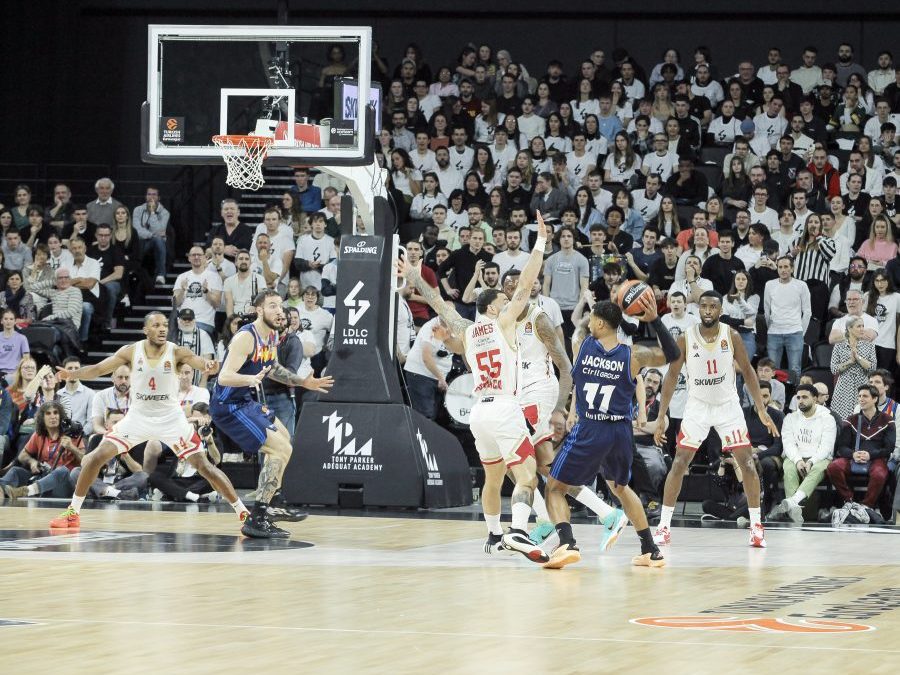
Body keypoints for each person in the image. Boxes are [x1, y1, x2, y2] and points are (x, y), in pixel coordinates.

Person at [400, 213, 551, 563]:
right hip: (504, 407)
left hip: (479, 411)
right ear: (495, 307)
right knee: (527, 477)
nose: (510, 301)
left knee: (493, 477)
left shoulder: (467, 330)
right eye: (503, 300)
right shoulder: (504, 323)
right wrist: (540, 243)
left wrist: (413, 275)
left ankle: (494, 536)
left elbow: (437, 303)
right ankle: (518, 532)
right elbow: (527, 284)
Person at [45, 313, 252, 531]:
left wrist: (209, 365)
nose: (162, 329)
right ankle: (73, 513)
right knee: (94, 457)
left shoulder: (177, 352)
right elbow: (98, 369)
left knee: (205, 467)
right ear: (146, 330)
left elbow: (201, 363)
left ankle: (243, 513)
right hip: (138, 417)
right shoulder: (132, 351)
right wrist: (72, 374)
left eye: (164, 325)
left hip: (171, 419)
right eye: (156, 325)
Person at [544, 296, 679, 568]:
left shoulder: (581, 346)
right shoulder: (635, 355)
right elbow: (674, 355)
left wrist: (594, 310)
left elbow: (580, 326)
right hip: (620, 431)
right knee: (620, 487)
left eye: (595, 317)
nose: (590, 320)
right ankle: (650, 550)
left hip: (591, 427)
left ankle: (567, 543)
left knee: (554, 489)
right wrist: (653, 319)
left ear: (601, 323)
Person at [654, 291, 779, 548]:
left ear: (720, 310)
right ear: (698, 309)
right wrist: (661, 414)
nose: (708, 310)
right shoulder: (685, 338)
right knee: (679, 462)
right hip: (697, 407)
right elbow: (671, 377)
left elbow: (748, 371)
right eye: (704, 306)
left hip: (727, 407)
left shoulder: (731, 335)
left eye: (713, 307)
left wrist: (761, 408)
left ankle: (756, 526)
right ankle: (664, 526)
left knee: (746, 461)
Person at [211, 291, 333, 537]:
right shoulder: (246, 337)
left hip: (245, 400)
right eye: (272, 306)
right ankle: (259, 516)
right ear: (259, 310)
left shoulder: (272, 336)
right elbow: (224, 376)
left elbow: (273, 367)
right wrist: (249, 379)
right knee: (280, 449)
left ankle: (271, 503)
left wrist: (301, 382)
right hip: (228, 406)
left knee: (285, 439)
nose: (280, 311)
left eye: (281, 306)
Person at [768, 384, 837, 522]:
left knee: (816, 469)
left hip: (819, 458)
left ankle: (792, 502)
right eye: (798, 397)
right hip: (795, 457)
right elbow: (788, 443)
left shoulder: (827, 418)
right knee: (789, 468)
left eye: (805, 397)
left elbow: (826, 447)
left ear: (815, 398)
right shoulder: (790, 418)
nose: (800, 400)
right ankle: (794, 511)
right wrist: (798, 460)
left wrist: (811, 461)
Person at [827, 384, 895, 510]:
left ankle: (866, 506)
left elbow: (889, 448)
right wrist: (853, 454)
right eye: (859, 396)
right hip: (853, 457)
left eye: (865, 396)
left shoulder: (887, 420)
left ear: (875, 399)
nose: (861, 399)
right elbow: (842, 447)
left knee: (880, 474)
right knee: (833, 467)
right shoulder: (851, 420)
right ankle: (849, 501)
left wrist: (870, 455)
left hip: (877, 458)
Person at [0, 401, 83, 500]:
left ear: (61, 416)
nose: (53, 416)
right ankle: (2, 489)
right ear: (42, 418)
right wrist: (32, 462)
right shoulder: (39, 435)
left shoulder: (71, 435)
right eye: (48, 413)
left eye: (56, 413)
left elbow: (86, 461)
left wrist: (71, 447)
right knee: (15, 471)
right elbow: (22, 455)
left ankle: (26, 491)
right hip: (42, 478)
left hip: (64, 484)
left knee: (62, 470)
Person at [763, 257, 811, 384]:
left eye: (786, 267)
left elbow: (807, 311)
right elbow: (767, 311)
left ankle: (795, 400)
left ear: (792, 268)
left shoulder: (801, 285)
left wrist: (801, 332)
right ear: (777, 268)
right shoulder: (769, 285)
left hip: (795, 332)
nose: (783, 270)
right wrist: (771, 328)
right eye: (780, 267)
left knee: (795, 370)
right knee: (772, 370)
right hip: (774, 333)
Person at [830, 316, 877, 419]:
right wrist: (850, 361)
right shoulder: (839, 346)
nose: (862, 329)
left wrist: (858, 358)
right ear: (850, 328)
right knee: (841, 420)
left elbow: (872, 367)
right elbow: (834, 369)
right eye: (859, 326)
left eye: (863, 326)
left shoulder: (869, 346)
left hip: (863, 387)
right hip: (843, 388)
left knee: (861, 420)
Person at [133, 186, 170, 286]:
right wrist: (152, 235)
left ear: (159, 197)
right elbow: (137, 230)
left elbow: (159, 229)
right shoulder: (137, 210)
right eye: (149, 194)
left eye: (154, 194)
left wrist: (153, 212)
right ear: (145, 196)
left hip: (157, 244)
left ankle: (161, 275)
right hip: (140, 244)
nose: (151, 197)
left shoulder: (165, 213)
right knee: (158, 237)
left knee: (158, 240)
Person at [0, 308, 29, 376]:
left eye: (11, 319)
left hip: (15, 374)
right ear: (1, 321)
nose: (8, 321)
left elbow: (26, 360)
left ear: (15, 321)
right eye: (6, 319)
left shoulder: (22, 338)